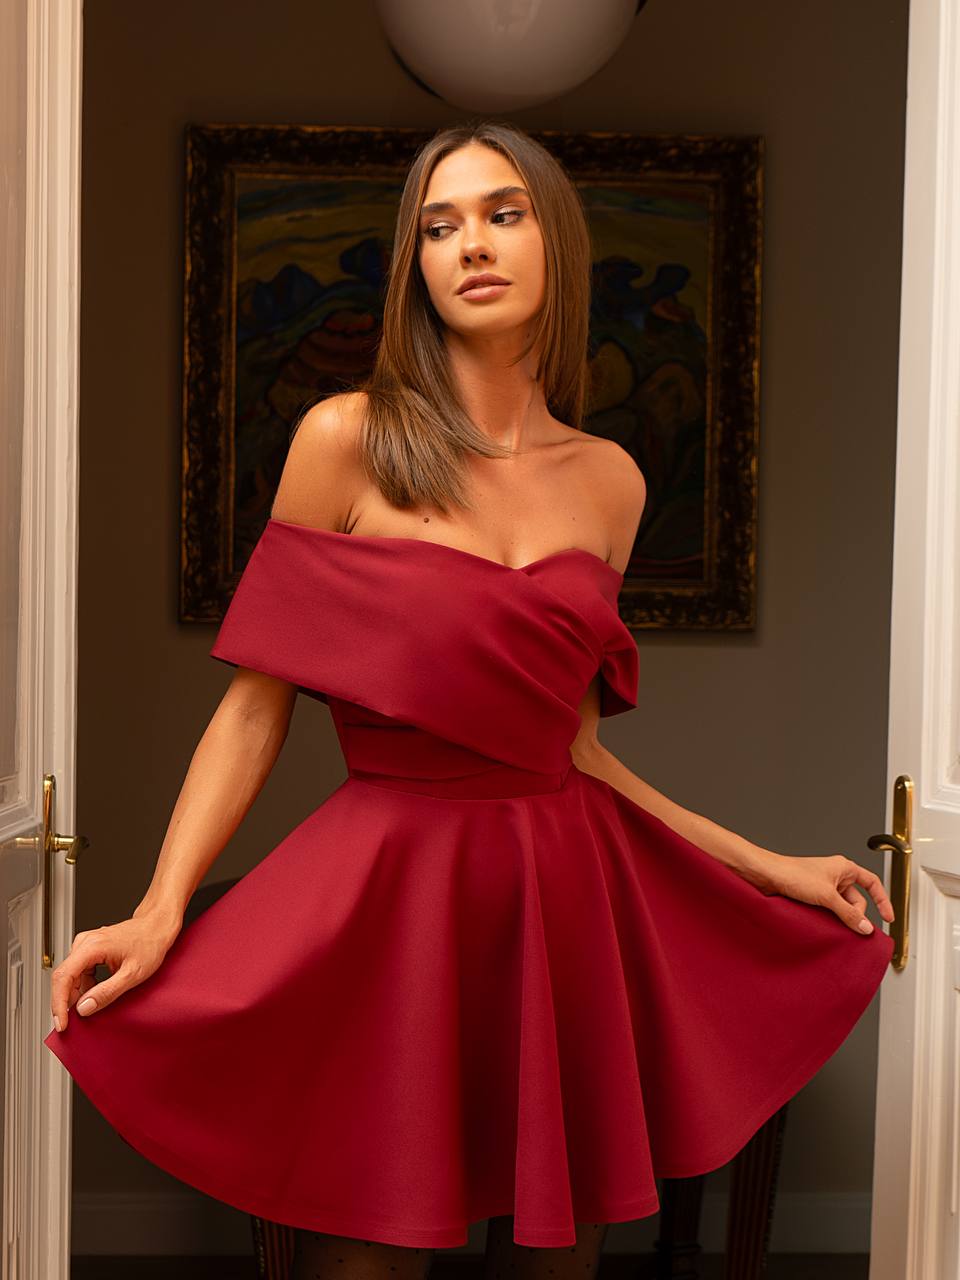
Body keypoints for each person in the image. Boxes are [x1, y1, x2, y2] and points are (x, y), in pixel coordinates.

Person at [44, 121, 895, 1280]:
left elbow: (577, 752)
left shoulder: (612, 480)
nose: (469, 246)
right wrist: (160, 905)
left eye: (503, 213)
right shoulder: (345, 440)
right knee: (370, 1255)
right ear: (414, 266)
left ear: (560, 242)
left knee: (561, 1256)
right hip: (396, 894)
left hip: (562, 899)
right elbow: (256, 706)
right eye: (438, 227)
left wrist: (766, 864)